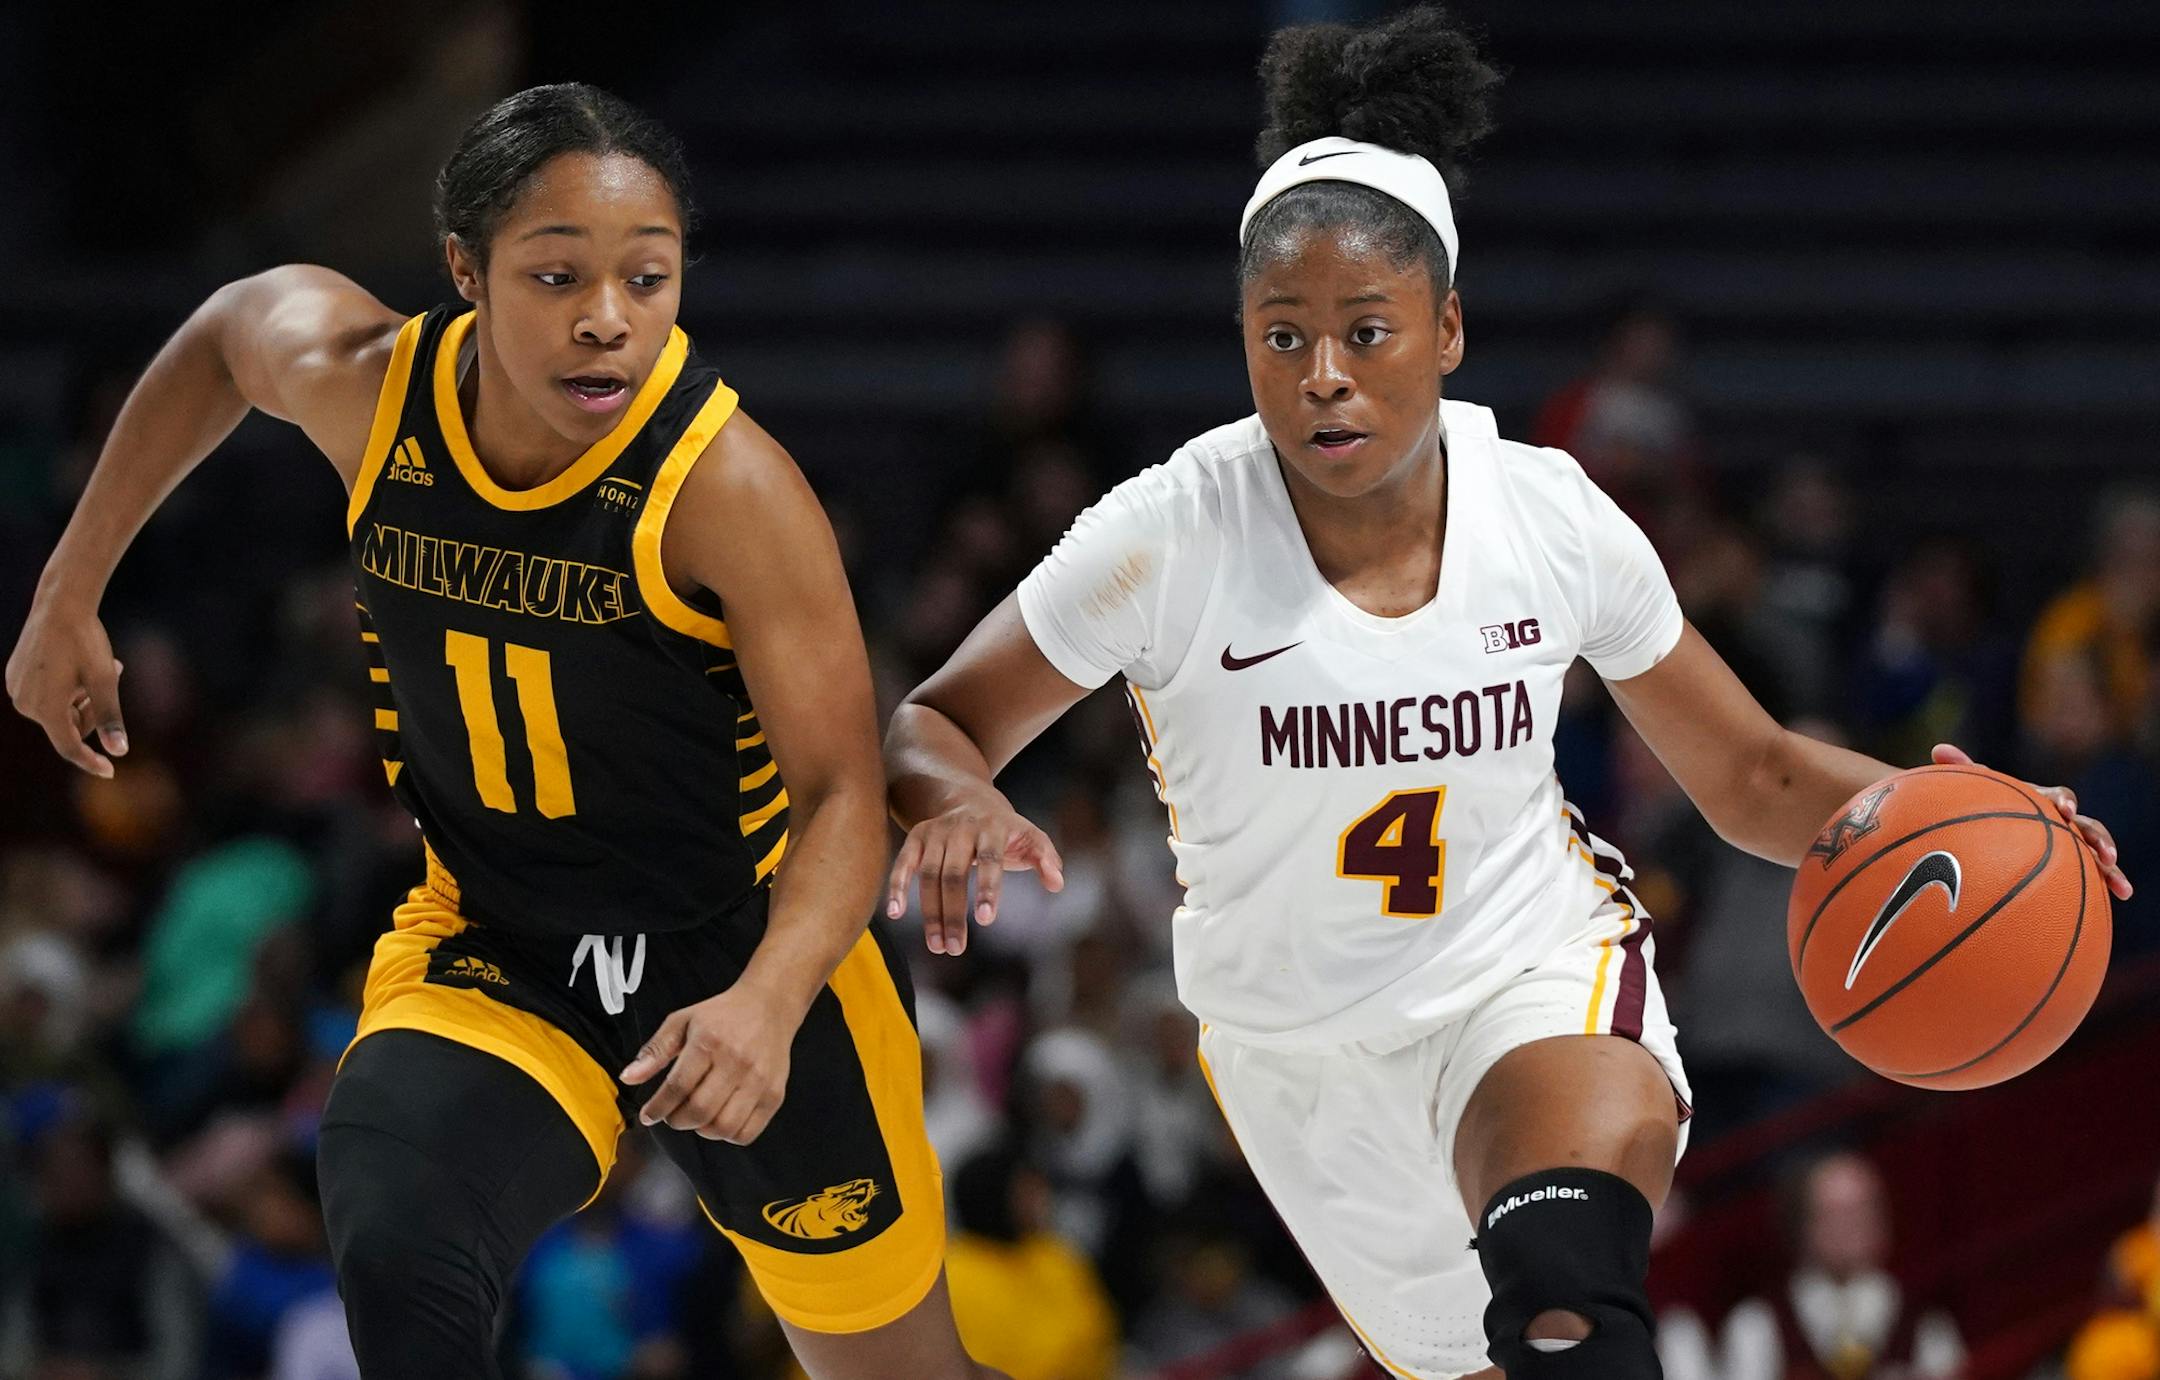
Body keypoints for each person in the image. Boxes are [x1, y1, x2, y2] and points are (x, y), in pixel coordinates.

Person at [878, 10, 2133, 1379]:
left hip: (1528, 969)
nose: (1324, 376)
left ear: (1450, 328)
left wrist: (1973, 810)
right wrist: (949, 797)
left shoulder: (1548, 514)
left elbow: (1756, 776)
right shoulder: (1170, 531)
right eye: (1280, 336)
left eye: (1366, 329)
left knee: (1567, 1314)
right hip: (1294, 1050)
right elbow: (936, 720)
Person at [7, 84, 993, 1380]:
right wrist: (68, 593)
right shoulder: (369, 392)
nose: (607, 320)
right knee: (393, 1204)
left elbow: (841, 799)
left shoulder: (730, 490)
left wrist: (766, 1001)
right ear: (465, 271)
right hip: (503, 936)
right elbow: (222, 338)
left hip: (749, 956)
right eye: (557, 275)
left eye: (650, 279)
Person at [1695, 1153, 1964, 1380]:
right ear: (1800, 1224)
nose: (1853, 1226)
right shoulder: (1756, 1325)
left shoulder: (1925, 1323)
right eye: (1836, 1214)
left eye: (1864, 1209)